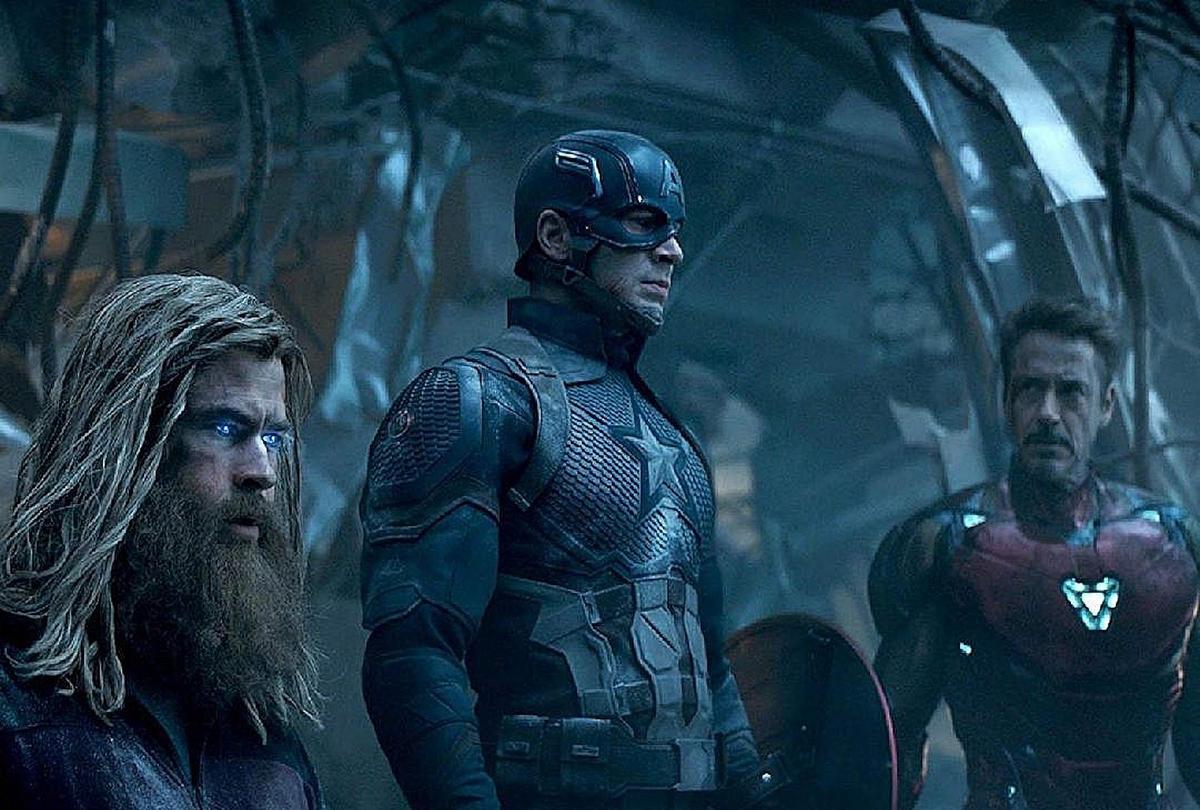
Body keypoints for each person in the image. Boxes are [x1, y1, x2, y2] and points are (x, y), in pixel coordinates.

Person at [359, 130, 763, 809]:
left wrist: (752, 793)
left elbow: (711, 669)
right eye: (643, 222)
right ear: (554, 236)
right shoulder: (477, 400)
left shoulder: (676, 442)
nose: (671, 250)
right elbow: (414, 654)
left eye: (674, 230)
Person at [0, 274, 323, 808]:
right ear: (127, 449)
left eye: (273, 438)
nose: (262, 471)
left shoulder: (266, 744)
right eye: (225, 429)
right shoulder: (19, 714)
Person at [869, 298, 1200, 809]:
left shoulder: (1175, 545)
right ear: (1006, 401)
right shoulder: (946, 549)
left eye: (1070, 392)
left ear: (1106, 405)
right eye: (1030, 389)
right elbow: (889, 749)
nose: (1048, 413)